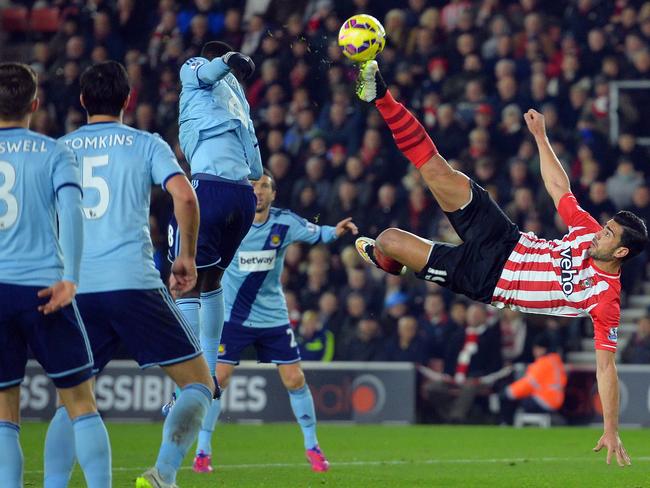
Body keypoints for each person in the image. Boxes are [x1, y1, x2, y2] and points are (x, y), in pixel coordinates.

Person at [354, 60, 646, 466]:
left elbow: (606, 369)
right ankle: (381, 97)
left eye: (608, 235)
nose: (600, 232)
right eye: (606, 227)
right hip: (504, 237)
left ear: (620, 254)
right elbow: (559, 188)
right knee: (437, 169)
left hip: (488, 281)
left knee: (388, 240)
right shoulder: (586, 231)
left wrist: (611, 428)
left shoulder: (606, 300)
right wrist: (542, 138)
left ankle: (397, 265)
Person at [42, 61, 215, 488]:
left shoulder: (59, 149)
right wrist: (186, 257)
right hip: (133, 284)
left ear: (82, 101)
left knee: (72, 402)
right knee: (199, 385)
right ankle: (164, 473)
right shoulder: (144, 143)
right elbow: (185, 197)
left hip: (77, 288)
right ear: (127, 101)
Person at [192, 170, 358, 474]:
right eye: (253, 186)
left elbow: (316, 233)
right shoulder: (232, 221)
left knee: (294, 379)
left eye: (264, 187)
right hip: (233, 317)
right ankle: (202, 451)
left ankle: (312, 446)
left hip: (272, 317)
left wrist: (337, 230)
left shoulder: (285, 222)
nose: (258, 191)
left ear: (273, 194)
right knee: (218, 381)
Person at [0, 62, 111, 487]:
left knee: (6, 410)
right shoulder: (53, 152)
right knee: (81, 403)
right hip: (45, 289)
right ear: (35, 103)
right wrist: (72, 277)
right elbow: (72, 212)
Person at [168, 40, 262, 387]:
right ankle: (209, 373)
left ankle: (190, 382)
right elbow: (255, 167)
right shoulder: (239, 99)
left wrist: (226, 59)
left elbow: (206, 71)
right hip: (243, 199)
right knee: (213, 282)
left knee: (186, 282)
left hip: (208, 189)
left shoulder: (196, 70)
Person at [499, 333, 567, 425]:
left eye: (536, 348)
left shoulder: (542, 363)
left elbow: (527, 384)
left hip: (544, 400)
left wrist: (509, 392)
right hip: (557, 400)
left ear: (542, 349)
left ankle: (506, 424)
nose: (534, 351)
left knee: (510, 398)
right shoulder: (556, 361)